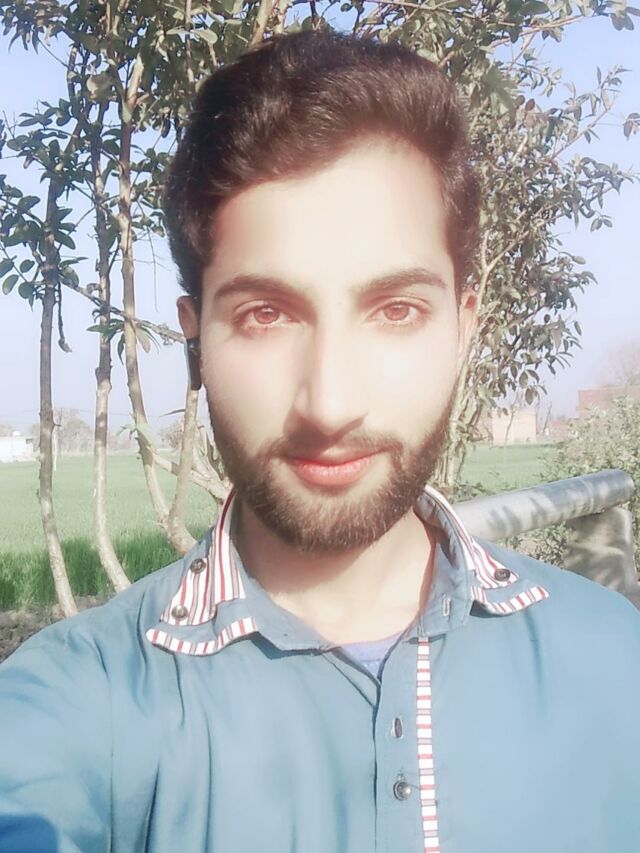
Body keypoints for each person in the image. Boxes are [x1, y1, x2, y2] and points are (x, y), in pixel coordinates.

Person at [1, 30, 639, 853]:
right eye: (265, 314)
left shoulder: (616, 660)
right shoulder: (83, 700)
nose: (330, 404)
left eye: (396, 310)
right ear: (196, 339)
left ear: (463, 328)